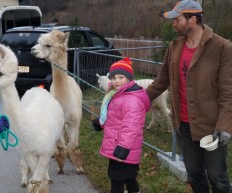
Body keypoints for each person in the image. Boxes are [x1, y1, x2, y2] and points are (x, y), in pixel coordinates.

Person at [146, 0, 232, 192]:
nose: (173, 24)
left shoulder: (223, 48)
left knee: (217, 178)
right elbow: (161, 81)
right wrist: (137, 99)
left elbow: (229, 93)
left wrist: (225, 125)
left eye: (177, 20)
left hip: (212, 127)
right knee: (194, 174)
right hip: (183, 126)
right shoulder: (174, 47)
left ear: (192, 20)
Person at [92, 57, 150, 193]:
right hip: (119, 147)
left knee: (117, 180)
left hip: (123, 148)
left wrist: (123, 147)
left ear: (129, 79)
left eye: (121, 77)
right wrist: (101, 122)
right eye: (113, 77)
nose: (116, 81)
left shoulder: (132, 100)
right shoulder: (119, 95)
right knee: (129, 177)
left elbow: (131, 127)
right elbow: (115, 117)